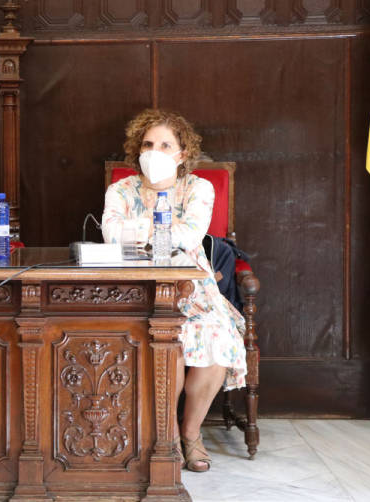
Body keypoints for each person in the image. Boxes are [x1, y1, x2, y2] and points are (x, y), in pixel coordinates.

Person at [101, 109, 247, 472]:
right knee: (168, 342)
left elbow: (190, 236)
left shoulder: (199, 187)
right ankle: (163, 439)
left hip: (192, 285)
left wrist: (138, 229)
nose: (155, 151)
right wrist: (162, 229)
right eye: (148, 144)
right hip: (135, 284)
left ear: (182, 152)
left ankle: (191, 434)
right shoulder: (120, 189)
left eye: (166, 145)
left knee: (215, 336)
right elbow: (110, 234)